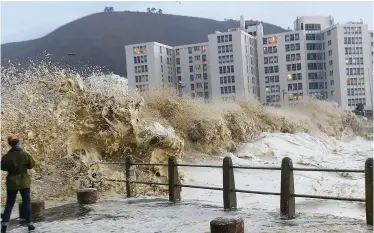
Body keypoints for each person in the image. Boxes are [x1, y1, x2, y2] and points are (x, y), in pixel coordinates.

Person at [1, 135, 36, 233]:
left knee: (9, 204)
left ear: (10, 144)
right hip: (24, 181)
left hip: (11, 182)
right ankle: (30, 224)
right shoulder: (25, 154)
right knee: (27, 203)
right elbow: (31, 165)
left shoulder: (6, 156)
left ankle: (4, 225)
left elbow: (2, 167)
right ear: (18, 143)